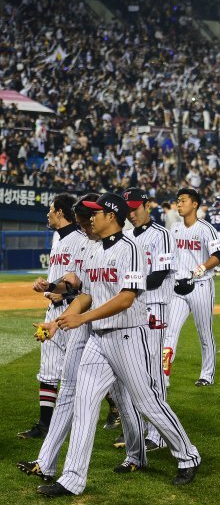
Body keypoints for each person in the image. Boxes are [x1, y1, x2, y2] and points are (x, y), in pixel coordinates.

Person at [35, 192, 200, 497]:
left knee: (148, 403)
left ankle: (187, 454)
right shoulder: (95, 250)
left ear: (111, 216)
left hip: (127, 336)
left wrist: (82, 320)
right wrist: (56, 323)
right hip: (99, 340)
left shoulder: (131, 249)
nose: (90, 218)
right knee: (84, 405)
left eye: (96, 214)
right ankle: (72, 478)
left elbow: (126, 299)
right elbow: (85, 294)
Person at [17, 194, 100, 482]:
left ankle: (127, 429)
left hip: (74, 311)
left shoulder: (82, 240)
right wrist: (50, 286)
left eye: (51, 210)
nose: (48, 215)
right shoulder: (60, 241)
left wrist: (58, 289)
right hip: (56, 309)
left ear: (62, 212)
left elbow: (79, 284)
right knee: (51, 372)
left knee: (78, 374)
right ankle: (45, 425)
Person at [122, 187, 177, 452]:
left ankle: (157, 434)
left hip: (154, 306)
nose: (131, 213)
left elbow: (159, 275)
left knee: (154, 370)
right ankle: (142, 428)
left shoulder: (162, 235)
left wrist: (128, 288)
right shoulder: (125, 236)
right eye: (127, 209)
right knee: (136, 371)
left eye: (135, 208)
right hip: (132, 307)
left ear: (147, 206)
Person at [165, 188, 220, 386]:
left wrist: (200, 269)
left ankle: (206, 375)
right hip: (177, 288)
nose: (179, 204)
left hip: (200, 285)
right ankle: (163, 375)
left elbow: (218, 255)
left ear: (195, 204)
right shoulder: (174, 228)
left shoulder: (206, 229)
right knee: (170, 331)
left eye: (182, 201)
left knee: (204, 332)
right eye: (178, 201)